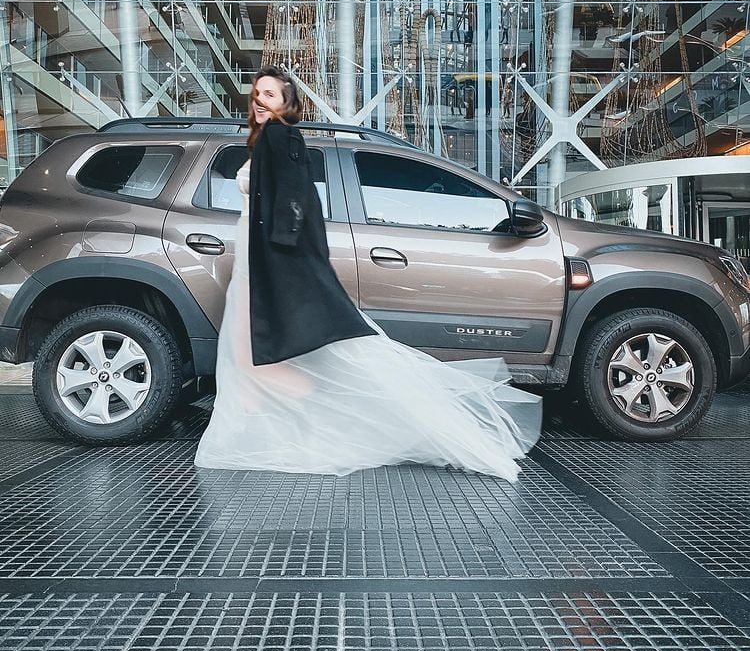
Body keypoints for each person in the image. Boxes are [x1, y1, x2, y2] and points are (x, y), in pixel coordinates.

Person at [194, 66, 541, 479]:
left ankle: (318, 423)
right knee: (246, 358)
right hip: (257, 263)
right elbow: (297, 204)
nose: (260, 99)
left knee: (252, 358)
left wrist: (286, 261)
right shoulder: (268, 138)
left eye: (270, 94)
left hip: (264, 264)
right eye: (257, 92)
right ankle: (276, 428)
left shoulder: (279, 135)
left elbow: (294, 204)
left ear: (287, 103)